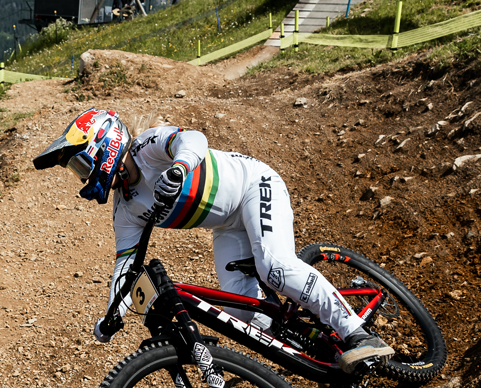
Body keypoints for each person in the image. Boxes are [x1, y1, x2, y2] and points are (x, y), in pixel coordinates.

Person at [35, 110, 395, 372]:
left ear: (105, 143)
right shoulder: (126, 208)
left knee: (276, 268)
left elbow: (193, 139)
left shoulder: (146, 146)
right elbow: (125, 265)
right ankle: (319, 342)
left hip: (256, 186)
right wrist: (112, 312)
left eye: (82, 165)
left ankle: (358, 334)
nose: (83, 177)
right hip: (228, 226)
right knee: (242, 313)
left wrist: (179, 167)